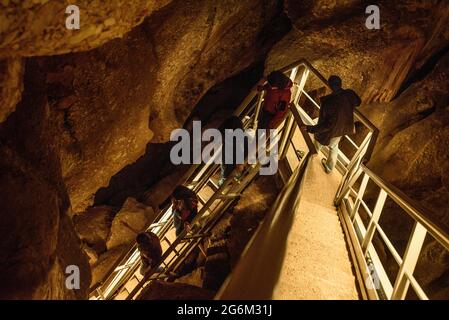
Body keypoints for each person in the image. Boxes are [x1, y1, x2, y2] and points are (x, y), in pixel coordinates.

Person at [306, 75, 361, 173]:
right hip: (343, 128)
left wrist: (310, 129)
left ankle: (308, 159)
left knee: (317, 142)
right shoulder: (349, 94)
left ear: (329, 85)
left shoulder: (330, 101)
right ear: (340, 84)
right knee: (334, 147)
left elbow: (328, 125)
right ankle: (329, 168)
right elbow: (358, 102)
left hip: (332, 129)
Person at [218, 116, 247, 187]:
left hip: (232, 169)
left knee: (226, 165)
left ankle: (224, 180)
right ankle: (224, 179)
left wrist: (240, 164)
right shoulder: (241, 136)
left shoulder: (236, 140)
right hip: (233, 166)